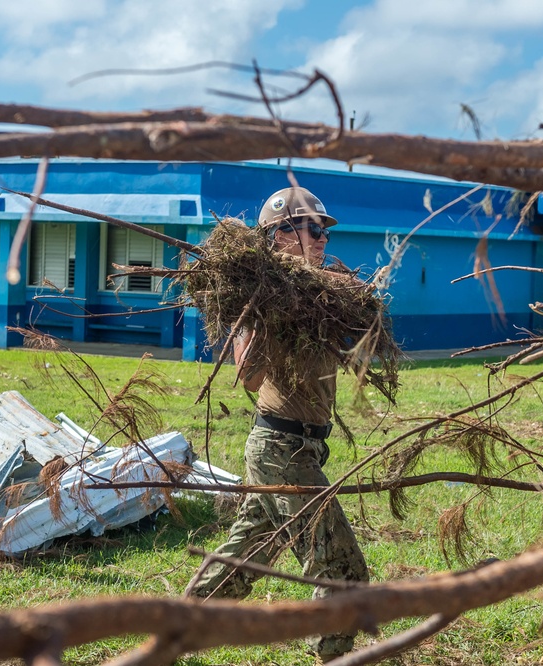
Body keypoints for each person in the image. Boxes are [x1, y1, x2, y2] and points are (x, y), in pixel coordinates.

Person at [186, 186, 369, 662]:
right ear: (277, 237)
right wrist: (268, 316)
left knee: (241, 562)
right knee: (341, 571)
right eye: (307, 228)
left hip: (300, 447)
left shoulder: (319, 294)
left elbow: (358, 346)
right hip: (280, 448)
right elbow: (247, 377)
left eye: (322, 229)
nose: (320, 238)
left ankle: (172, 637)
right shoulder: (262, 300)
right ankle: (333, 656)